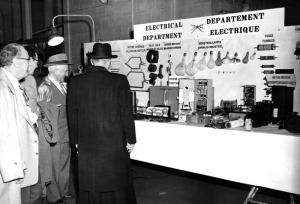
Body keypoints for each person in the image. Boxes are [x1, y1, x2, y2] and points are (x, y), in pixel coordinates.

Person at [67, 42, 137, 204]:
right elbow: (126, 113)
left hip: (87, 143)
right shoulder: (119, 81)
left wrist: (75, 141)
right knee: (115, 181)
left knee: (90, 182)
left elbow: (72, 115)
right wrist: (131, 140)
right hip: (114, 144)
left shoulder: (76, 82)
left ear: (92, 61)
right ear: (109, 62)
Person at [0, 43, 39, 204]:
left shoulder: (13, 83)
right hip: (10, 166)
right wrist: (14, 168)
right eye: (27, 59)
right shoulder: (2, 86)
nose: (30, 63)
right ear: (15, 61)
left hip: (18, 160)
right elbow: (4, 131)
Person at [38, 53, 71, 204]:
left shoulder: (62, 84)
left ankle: (62, 193)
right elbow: (44, 117)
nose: (66, 73)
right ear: (52, 69)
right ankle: (55, 198)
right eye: (64, 70)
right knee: (54, 168)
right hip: (55, 136)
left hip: (65, 134)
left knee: (63, 167)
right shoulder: (45, 88)